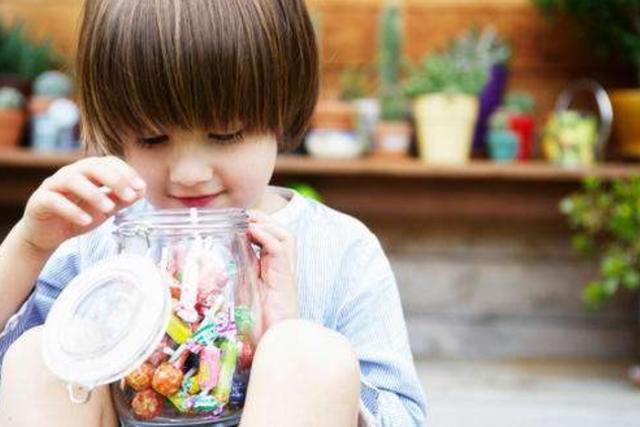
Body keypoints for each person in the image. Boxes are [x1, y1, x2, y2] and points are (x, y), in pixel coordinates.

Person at [0, 1, 426, 426]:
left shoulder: (341, 250)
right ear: (116, 130)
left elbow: (402, 417)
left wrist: (285, 341)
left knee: (309, 353)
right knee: (40, 357)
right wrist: (28, 247)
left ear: (281, 114)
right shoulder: (92, 242)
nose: (188, 174)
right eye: (152, 139)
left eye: (225, 135)